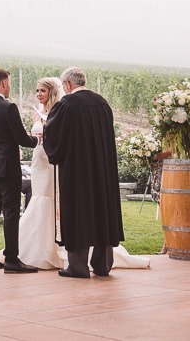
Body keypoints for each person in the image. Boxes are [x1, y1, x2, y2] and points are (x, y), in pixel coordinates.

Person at [44, 67, 125, 278]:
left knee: (78, 211)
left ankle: (78, 267)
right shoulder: (102, 103)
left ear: (68, 85)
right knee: (102, 210)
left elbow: (53, 137)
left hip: (77, 170)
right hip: (102, 169)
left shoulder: (67, 105)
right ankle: (102, 265)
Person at [0, 68, 40, 274]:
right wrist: (37, 139)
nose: (9, 87)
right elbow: (21, 138)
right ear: (4, 83)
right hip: (7, 166)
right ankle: (11, 259)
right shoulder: (8, 107)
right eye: (9, 83)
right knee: (11, 210)